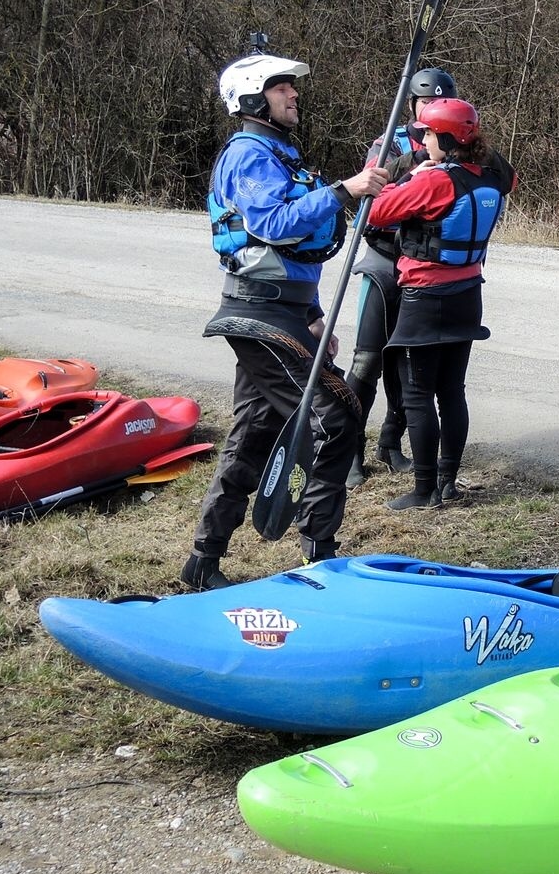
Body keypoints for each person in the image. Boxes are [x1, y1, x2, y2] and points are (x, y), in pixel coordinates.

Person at [181, 53, 388, 590]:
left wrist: (314, 315)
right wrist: (346, 190)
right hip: (257, 314)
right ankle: (319, 556)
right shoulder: (248, 154)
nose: (293, 94)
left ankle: (203, 560)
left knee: (254, 433)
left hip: (284, 310)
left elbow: (294, 256)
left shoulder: (279, 152)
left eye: (291, 88)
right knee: (337, 417)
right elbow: (270, 223)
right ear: (253, 98)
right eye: (280, 88)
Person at [365, 96, 517, 510]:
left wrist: (409, 176)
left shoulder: (433, 180)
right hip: (468, 295)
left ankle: (423, 489)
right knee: (452, 390)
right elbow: (509, 177)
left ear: (447, 139)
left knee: (417, 394)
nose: (424, 140)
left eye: (430, 134)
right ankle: (448, 480)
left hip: (425, 296)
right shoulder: (489, 177)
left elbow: (375, 213)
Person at [345, 66, 461, 490]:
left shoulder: (455, 147)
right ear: (412, 106)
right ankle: (350, 448)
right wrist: (413, 165)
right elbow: (370, 197)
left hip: (423, 271)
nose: (431, 109)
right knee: (367, 359)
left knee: (408, 364)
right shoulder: (389, 144)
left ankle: (391, 443)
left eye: (438, 102)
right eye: (424, 102)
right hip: (382, 262)